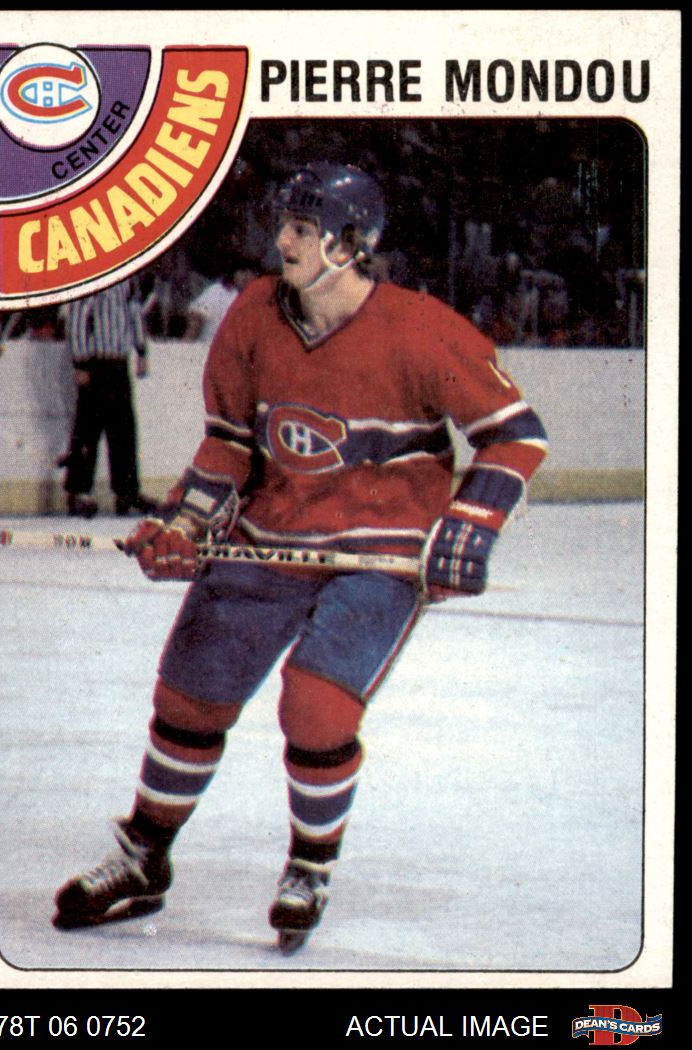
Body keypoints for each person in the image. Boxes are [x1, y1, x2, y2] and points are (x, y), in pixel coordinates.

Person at [52, 163, 548, 953]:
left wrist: (471, 522)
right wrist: (187, 522)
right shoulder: (253, 312)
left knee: (316, 709)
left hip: (377, 554)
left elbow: (515, 435)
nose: (281, 240)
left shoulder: (423, 328)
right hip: (269, 535)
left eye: (303, 229)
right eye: (285, 224)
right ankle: (144, 855)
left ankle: (309, 867)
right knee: (189, 697)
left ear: (351, 245)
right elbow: (230, 443)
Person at [58, 280, 158, 517]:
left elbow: (134, 313)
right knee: (87, 430)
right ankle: (79, 491)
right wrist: (81, 361)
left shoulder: (128, 280)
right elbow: (78, 317)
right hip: (96, 362)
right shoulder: (95, 277)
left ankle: (127, 492)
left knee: (124, 430)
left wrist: (141, 350)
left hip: (119, 362)